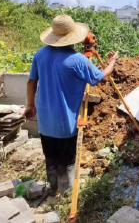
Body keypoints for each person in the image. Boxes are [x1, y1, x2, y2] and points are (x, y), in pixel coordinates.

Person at [24, 15, 118, 196]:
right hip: (65, 123)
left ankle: (53, 188)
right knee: (66, 159)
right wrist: (112, 61)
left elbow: (31, 82)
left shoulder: (41, 53)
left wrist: (30, 105)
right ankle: (67, 193)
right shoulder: (78, 60)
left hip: (45, 120)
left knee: (50, 156)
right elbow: (102, 76)